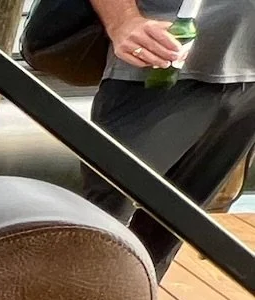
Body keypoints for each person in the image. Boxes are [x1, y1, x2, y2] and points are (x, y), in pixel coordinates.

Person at [82, 0, 255, 273]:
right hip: (160, 65)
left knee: (163, 239)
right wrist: (122, 20)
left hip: (248, 76)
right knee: (97, 232)